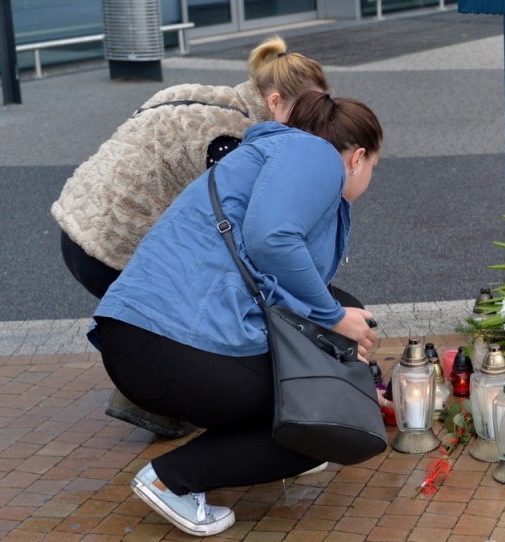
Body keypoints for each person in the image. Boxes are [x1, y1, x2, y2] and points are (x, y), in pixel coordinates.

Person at [89, 91, 383, 537]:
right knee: (324, 421)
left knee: (327, 387)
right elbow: (272, 240)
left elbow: (284, 281)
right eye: (376, 166)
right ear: (357, 157)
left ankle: (248, 456)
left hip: (139, 338)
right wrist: (335, 321)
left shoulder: (269, 157)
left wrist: (359, 371)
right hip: (169, 346)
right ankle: (171, 480)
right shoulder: (318, 156)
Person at [50, 35, 329, 438]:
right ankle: (157, 401)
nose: (312, 127)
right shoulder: (233, 139)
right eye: (308, 114)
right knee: (195, 308)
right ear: (275, 103)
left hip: (78, 224)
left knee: (166, 309)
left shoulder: (198, 95)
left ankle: (148, 396)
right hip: (113, 245)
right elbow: (236, 232)